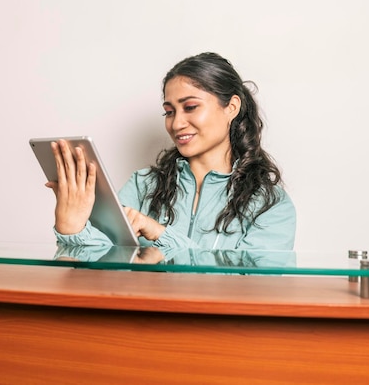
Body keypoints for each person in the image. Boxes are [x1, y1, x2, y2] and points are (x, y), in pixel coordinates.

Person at [46, 52, 296, 265]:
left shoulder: (271, 205)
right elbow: (106, 267)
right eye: (169, 111)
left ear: (231, 107)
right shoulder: (142, 185)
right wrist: (72, 227)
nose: (176, 123)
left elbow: (257, 285)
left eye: (190, 107)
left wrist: (162, 235)